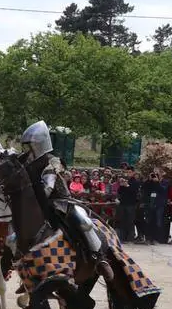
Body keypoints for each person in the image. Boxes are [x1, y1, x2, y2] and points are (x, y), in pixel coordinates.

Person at [20, 120, 112, 281]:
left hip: (61, 203)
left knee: (83, 222)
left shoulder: (52, 161)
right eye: (26, 146)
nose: (28, 150)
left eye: (31, 146)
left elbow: (48, 187)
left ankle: (99, 258)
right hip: (38, 205)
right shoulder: (27, 163)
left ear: (40, 145)